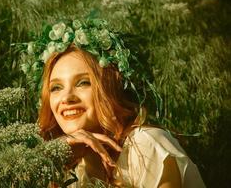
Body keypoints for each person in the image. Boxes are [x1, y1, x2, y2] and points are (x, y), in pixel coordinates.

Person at [26, 19, 205, 187]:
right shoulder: (74, 164)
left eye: (83, 83)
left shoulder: (146, 144)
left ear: (110, 88)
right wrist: (53, 160)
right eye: (56, 87)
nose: (66, 98)